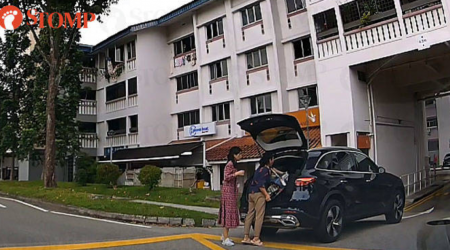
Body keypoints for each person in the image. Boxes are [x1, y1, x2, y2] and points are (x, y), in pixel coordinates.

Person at [242, 153, 275, 246]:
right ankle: (256, 238)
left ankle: (246, 237)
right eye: (273, 159)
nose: (273, 161)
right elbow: (261, 184)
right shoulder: (265, 170)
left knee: (250, 214)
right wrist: (266, 195)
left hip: (251, 193)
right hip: (259, 194)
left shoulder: (259, 170)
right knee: (259, 216)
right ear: (269, 160)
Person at [218, 146, 245, 247]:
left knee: (228, 214)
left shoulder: (232, 164)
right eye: (240, 154)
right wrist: (237, 173)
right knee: (227, 214)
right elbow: (226, 177)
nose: (241, 156)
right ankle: (225, 238)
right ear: (235, 155)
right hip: (228, 192)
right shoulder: (229, 164)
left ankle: (225, 235)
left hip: (231, 191)